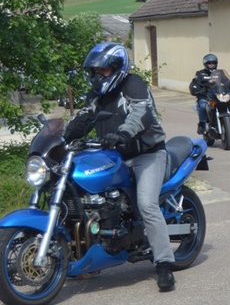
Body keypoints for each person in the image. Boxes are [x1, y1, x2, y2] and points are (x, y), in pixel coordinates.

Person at [63, 42, 175, 292]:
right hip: (114, 154)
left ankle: (165, 263)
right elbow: (84, 117)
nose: (96, 76)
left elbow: (141, 112)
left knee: (147, 204)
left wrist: (123, 132)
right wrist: (63, 138)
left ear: (115, 68)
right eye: (93, 71)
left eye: (100, 71)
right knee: (85, 195)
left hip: (147, 154)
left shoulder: (133, 84)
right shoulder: (97, 93)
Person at [189, 53, 218, 134]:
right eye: (209, 63)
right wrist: (197, 89)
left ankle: (226, 121)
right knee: (202, 106)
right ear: (205, 64)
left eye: (213, 63)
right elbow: (195, 82)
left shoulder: (219, 73)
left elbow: (226, 81)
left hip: (217, 96)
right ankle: (202, 124)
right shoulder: (200, 73)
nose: (212, 65)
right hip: (204, 97)